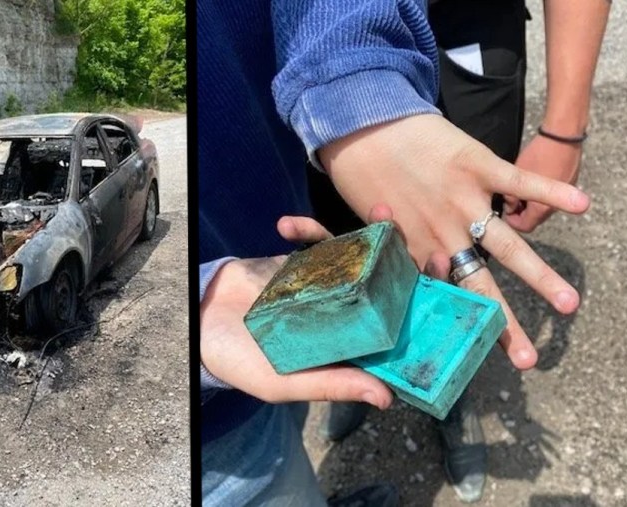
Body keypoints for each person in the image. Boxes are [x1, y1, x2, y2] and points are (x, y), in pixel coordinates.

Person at [198, 0, 598, 504]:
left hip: (464, 39)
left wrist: (352, 89)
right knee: (356, 246)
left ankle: (451, 391)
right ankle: (363, 354)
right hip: (280, 117)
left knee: (456, 247)